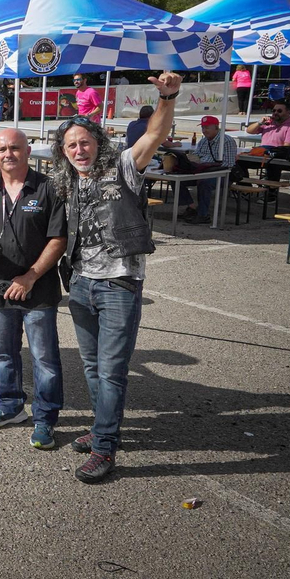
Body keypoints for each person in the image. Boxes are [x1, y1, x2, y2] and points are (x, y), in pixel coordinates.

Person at [55, 70, 182, 484]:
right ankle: (102, 427)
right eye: (71, 144)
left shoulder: (124, 166)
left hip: (119, 284)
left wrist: (167, 97)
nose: (79, 149)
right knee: (92, 367)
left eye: (85, 142)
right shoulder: (66, 181)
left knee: (111, 369)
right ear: (64, 151)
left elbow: (154, 136)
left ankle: (105, 447)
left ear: (98, 143)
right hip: (79, 283)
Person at [0, 129, 65, 449]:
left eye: (15, 148)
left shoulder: (48, 188)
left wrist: (30, 277)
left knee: (44, 359)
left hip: (38, 289)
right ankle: (10, 406)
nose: (8, 154)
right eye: (2, 149)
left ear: (28, 150)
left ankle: (45, 419)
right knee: (4, 354)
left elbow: (58, 239)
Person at [183, 115, 238, 225]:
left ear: (216, 128)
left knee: (204, 182)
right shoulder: (203, 141)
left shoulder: (227, 141)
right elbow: (196, 156)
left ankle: (203, 215)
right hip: (202, 172)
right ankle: (191, 207)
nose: (204, 130)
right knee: (177, 179)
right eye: (203, 127)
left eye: (207, 127)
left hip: (222, 175)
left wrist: (209, 166)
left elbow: (229, 164)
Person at [244, 101, 290, 182]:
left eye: (279, 111)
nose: (275, 113)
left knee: (274, 165)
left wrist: (271, 152)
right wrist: (260, 123)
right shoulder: (269, 122)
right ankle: (245, 189)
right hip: (264, 154)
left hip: (280, 157)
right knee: (239, 162)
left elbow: (286, 147)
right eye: (274, 110)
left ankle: (271, 192)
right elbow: (249, 131)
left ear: (288, 112)